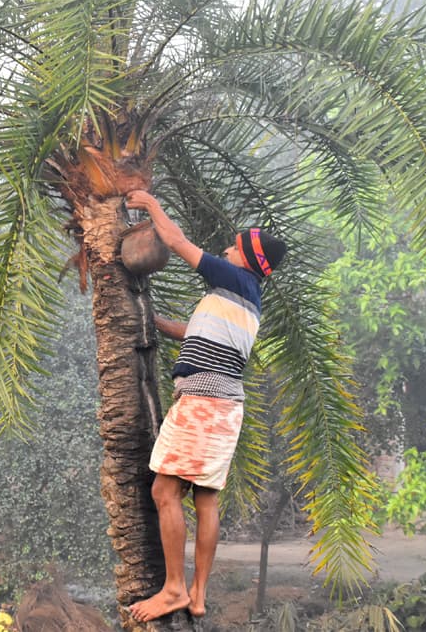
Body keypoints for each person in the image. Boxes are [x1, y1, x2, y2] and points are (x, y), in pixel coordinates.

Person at [123, 189, 287, 622]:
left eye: (234, 247)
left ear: (248, 259)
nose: (226, 250)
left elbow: (176, 242)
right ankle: (197, 594)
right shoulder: (244, 298)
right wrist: (149, 318)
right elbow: (194, 332)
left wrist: (151, 204)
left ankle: (174, 588)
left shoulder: (234, 279)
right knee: (206, 499)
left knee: (164, 490)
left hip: (203, 403)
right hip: (226, 405)